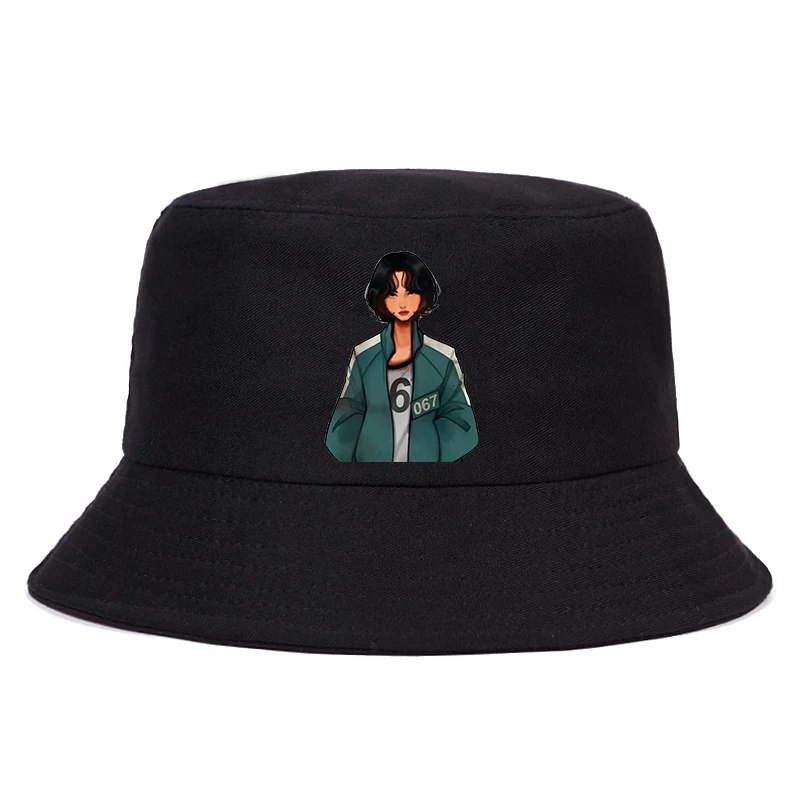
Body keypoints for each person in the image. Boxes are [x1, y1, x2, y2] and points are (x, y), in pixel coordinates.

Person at [325, 251, 478, 462]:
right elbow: (344, 421)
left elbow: (461, 422)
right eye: (393, 294)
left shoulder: (443, 358)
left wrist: (431, 453)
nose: (403, 303)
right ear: (381, 297)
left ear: (423, 294)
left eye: (410, 292)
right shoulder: (364, 356)